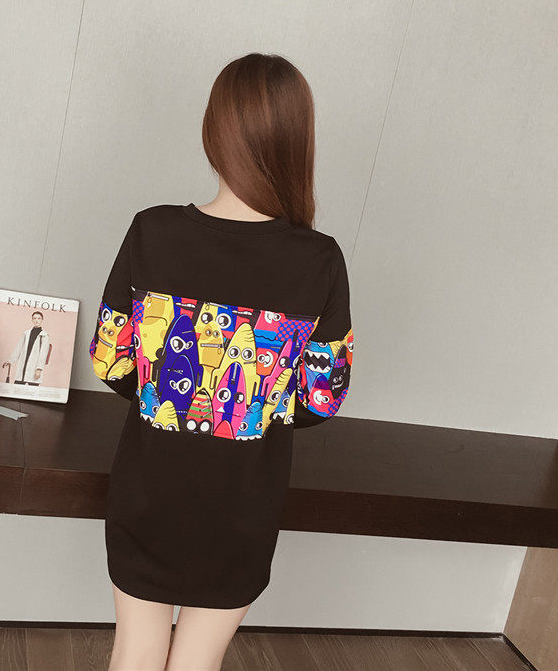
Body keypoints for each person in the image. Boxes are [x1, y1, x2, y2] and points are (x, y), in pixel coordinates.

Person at [89, 53, 354, 671]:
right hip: (243, 505)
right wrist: (256, 403)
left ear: (214, 132)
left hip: (147, 489)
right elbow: (320, 400)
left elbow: (112, 362)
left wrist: (167, 393)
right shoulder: (320, 260)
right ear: (298, 142)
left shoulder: (152, 231)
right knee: (198, 662)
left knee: (135, 649)